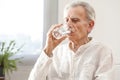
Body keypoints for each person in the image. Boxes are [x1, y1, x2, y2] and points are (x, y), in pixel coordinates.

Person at [28, 1, 113, 80]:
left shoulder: (103, 52)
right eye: (66, 20)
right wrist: (48, 49)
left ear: (90, 25)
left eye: (74, 20)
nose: (68, 25)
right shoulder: (57, 52)